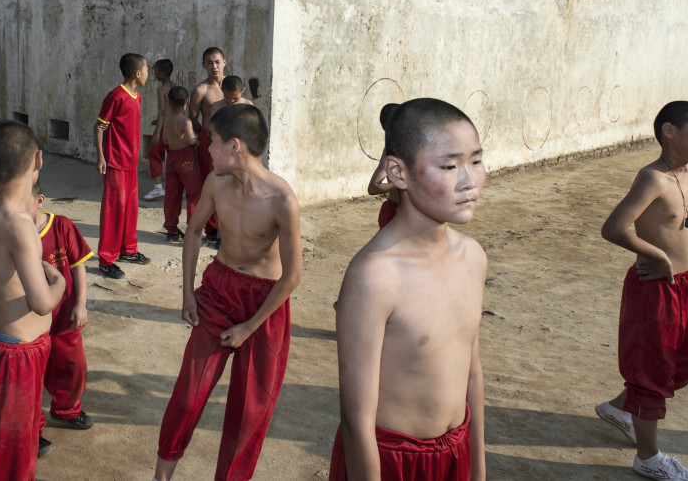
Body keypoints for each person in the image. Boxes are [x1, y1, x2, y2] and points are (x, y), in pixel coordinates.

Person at [331, 98, 487, 481]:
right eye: (449, 166)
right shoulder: (374, 277)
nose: (469, 180)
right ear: (397, 173)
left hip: (457, 450)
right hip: (391, 463)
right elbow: (356, 421)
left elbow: (472, 374)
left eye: (477, 160)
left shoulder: (473, 257)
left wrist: (478, 468)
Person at [153, 104, 301, 481]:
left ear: (234, 146)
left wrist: (249, 327)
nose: (207, 150)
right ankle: (161, 477)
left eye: (212, 142)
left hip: (266, 304)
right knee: (189, 393)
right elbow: (194, 231)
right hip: (219, 290)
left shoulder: (281, 199)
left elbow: (292, 277)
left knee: (250, 408)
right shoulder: (216, 182)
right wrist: (188, 292)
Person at [595, 101, 688, 481]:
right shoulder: (653, 178)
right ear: (669, 131)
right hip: (655, 290)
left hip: (687, 285)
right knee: (652, 374)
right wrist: (657, 256)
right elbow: (614, 228)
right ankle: (648, 457)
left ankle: (620, 408)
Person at [0, 120, 66, 480]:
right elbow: (42, 302)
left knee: (8, 443)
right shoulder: (20, 225)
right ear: (38, 159)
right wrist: (58, 282)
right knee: (8, 455)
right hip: (16, 357)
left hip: (5, 344)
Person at [31, 180, 94, 431]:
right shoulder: (15, 234)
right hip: (33, 321)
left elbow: (78, 265)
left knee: (73, 367)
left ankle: (66, 409)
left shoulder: (62, 226)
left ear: (39, 201)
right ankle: (33, 428)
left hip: (65, 315)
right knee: (32, 375)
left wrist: (81, 304)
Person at [95, 53, 151, 279]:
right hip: (116, 163)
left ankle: (128, 250)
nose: (148, 74)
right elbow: (100, 127)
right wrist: (100, 157)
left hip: (131, 164)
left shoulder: (136, 97)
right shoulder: (115, 96)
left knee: (130, 208)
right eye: (147, 70)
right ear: (137, 73)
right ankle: (106, 259)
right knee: (114, 210)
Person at [189, 46, 226, 245]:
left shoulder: (232, 87)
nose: (214, 66)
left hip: (229, 144)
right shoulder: (201, 90)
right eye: (210, 62)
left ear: (224, 63)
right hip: (208, 142)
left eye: (217, 62)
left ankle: (226, 227)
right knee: (209, 183)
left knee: (229, 184)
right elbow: (193, 117)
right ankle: (211, 228)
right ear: (204, 65)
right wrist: (206, 135)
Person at [161, 85, 202, 243]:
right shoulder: (185, 121)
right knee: (193, 195)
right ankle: (192, 231)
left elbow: (164, 140)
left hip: (171, 157)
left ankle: (171, 230)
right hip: (185, 158)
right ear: (188, 101)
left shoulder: (167, 119)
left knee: (172, 194)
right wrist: (197, 141)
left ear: (169, 102)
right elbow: (191, 139)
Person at [144, 59, 175, 201]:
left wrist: (157, 131)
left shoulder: (161, 89)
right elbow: (172, 110)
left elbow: (162, 111)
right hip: (174, 127)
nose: (154, 74)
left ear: (162, 74)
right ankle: (177, 187)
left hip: (164, 128)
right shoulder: (175, 87)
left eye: (155, 71)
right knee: (173, 158)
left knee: (153, 154)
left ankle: (158, 188)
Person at [367, 103, 401, 229]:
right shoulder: (391, 151)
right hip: (395, 214)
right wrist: (401, 186)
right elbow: (373, 187)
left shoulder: (416, 148)